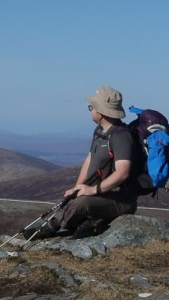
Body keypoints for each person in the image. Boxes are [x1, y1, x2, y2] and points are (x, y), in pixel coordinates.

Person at [28, 85, 139, 240]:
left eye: (91, 107)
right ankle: (87, 222)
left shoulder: (121, 137)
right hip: (102, 194)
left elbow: (123, 172)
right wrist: (77, 188)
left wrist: (91, 190)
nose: (90, 110)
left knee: (79, 204)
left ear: (100, 112)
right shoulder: (100, 131)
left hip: (120, 200)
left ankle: (50, 228)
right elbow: (90, 160)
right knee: (73, 200)